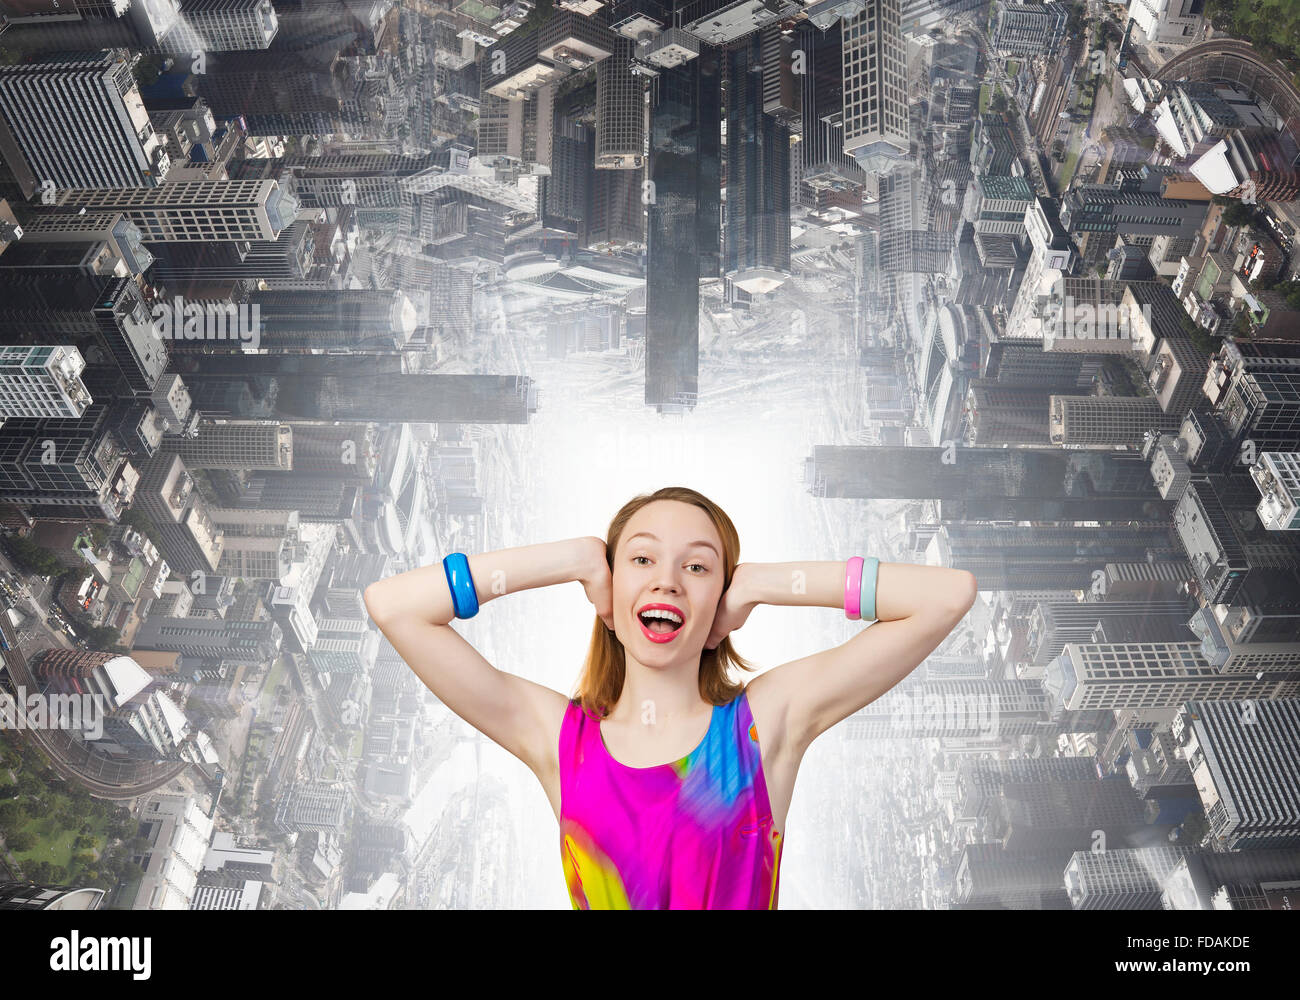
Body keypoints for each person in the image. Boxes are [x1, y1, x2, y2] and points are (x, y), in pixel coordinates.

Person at [365, 485, 977, 909]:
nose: (666, 578)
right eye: (641, 558)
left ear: (720, 599)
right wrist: (572, 559)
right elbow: (394, 608)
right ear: (612, 587)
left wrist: (764, 583)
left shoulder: (763, 728)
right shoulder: (560, 741)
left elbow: (946, 595)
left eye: (699, 567)